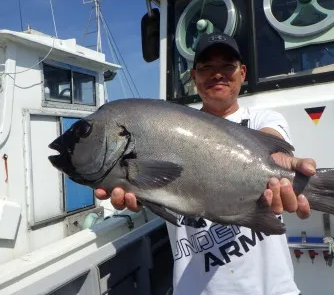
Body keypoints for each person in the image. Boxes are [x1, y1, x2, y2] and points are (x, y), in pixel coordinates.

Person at [95, 32, 316, 295]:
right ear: (194, 77)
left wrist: (281, 164)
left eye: (227, 65)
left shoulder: (262, 119)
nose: (217, 73)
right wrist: (139, 192)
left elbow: (272, 140)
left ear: (242, 72)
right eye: (207, 67)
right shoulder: (170, 128)